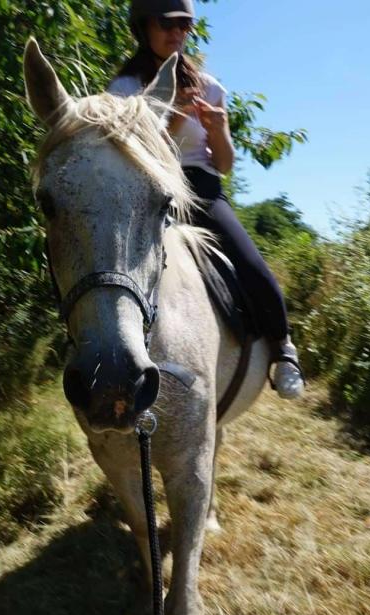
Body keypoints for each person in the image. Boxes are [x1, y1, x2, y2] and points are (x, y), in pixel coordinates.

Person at [108, 0, 304, 399]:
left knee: (251, 263)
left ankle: (283, 348)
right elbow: (126, 151)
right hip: (147, 185)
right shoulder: (124, 89)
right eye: (168, 23)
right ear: (143, 26)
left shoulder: (210, 85)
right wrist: (174, 118)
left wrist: (218, 128)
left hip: (200, 189)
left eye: (185, 25)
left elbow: (225, 163)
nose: (177, 32)